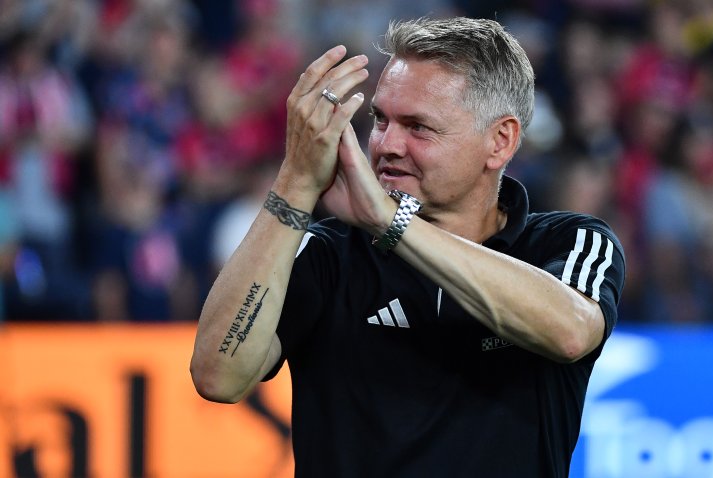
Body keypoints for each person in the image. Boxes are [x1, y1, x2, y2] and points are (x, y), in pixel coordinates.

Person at [190, 17, 625, 476]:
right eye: (380, 119)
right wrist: (295, 183)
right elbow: (218, 376)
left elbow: (570, 331)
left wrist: (390, 223)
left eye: (418, 127)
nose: (387, 144)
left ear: (500, 141)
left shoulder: (570, 242)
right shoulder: (327, 255)